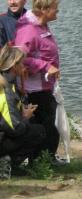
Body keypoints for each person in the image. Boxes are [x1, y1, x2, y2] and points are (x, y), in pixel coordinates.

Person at [14, 0, 61, 160]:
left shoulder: (41, 25)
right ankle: (42, 161)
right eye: (55, 7)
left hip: (45, 85)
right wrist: (45, 66)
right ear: (44, 9)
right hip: (34, 89)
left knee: (50, 125)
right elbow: (18, 57)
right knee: (47, 126)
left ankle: (45, 159)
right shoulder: (29, 29)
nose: (58, 10)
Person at [0, 44, 46, 179]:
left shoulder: (8, 84)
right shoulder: (6, 91)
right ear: (14, 67)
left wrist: (21, 113)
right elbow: (15, 129)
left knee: (32, 125)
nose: (24, 66)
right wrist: (25, 117)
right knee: (38, 131)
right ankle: (6, 162)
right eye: (21, 63)